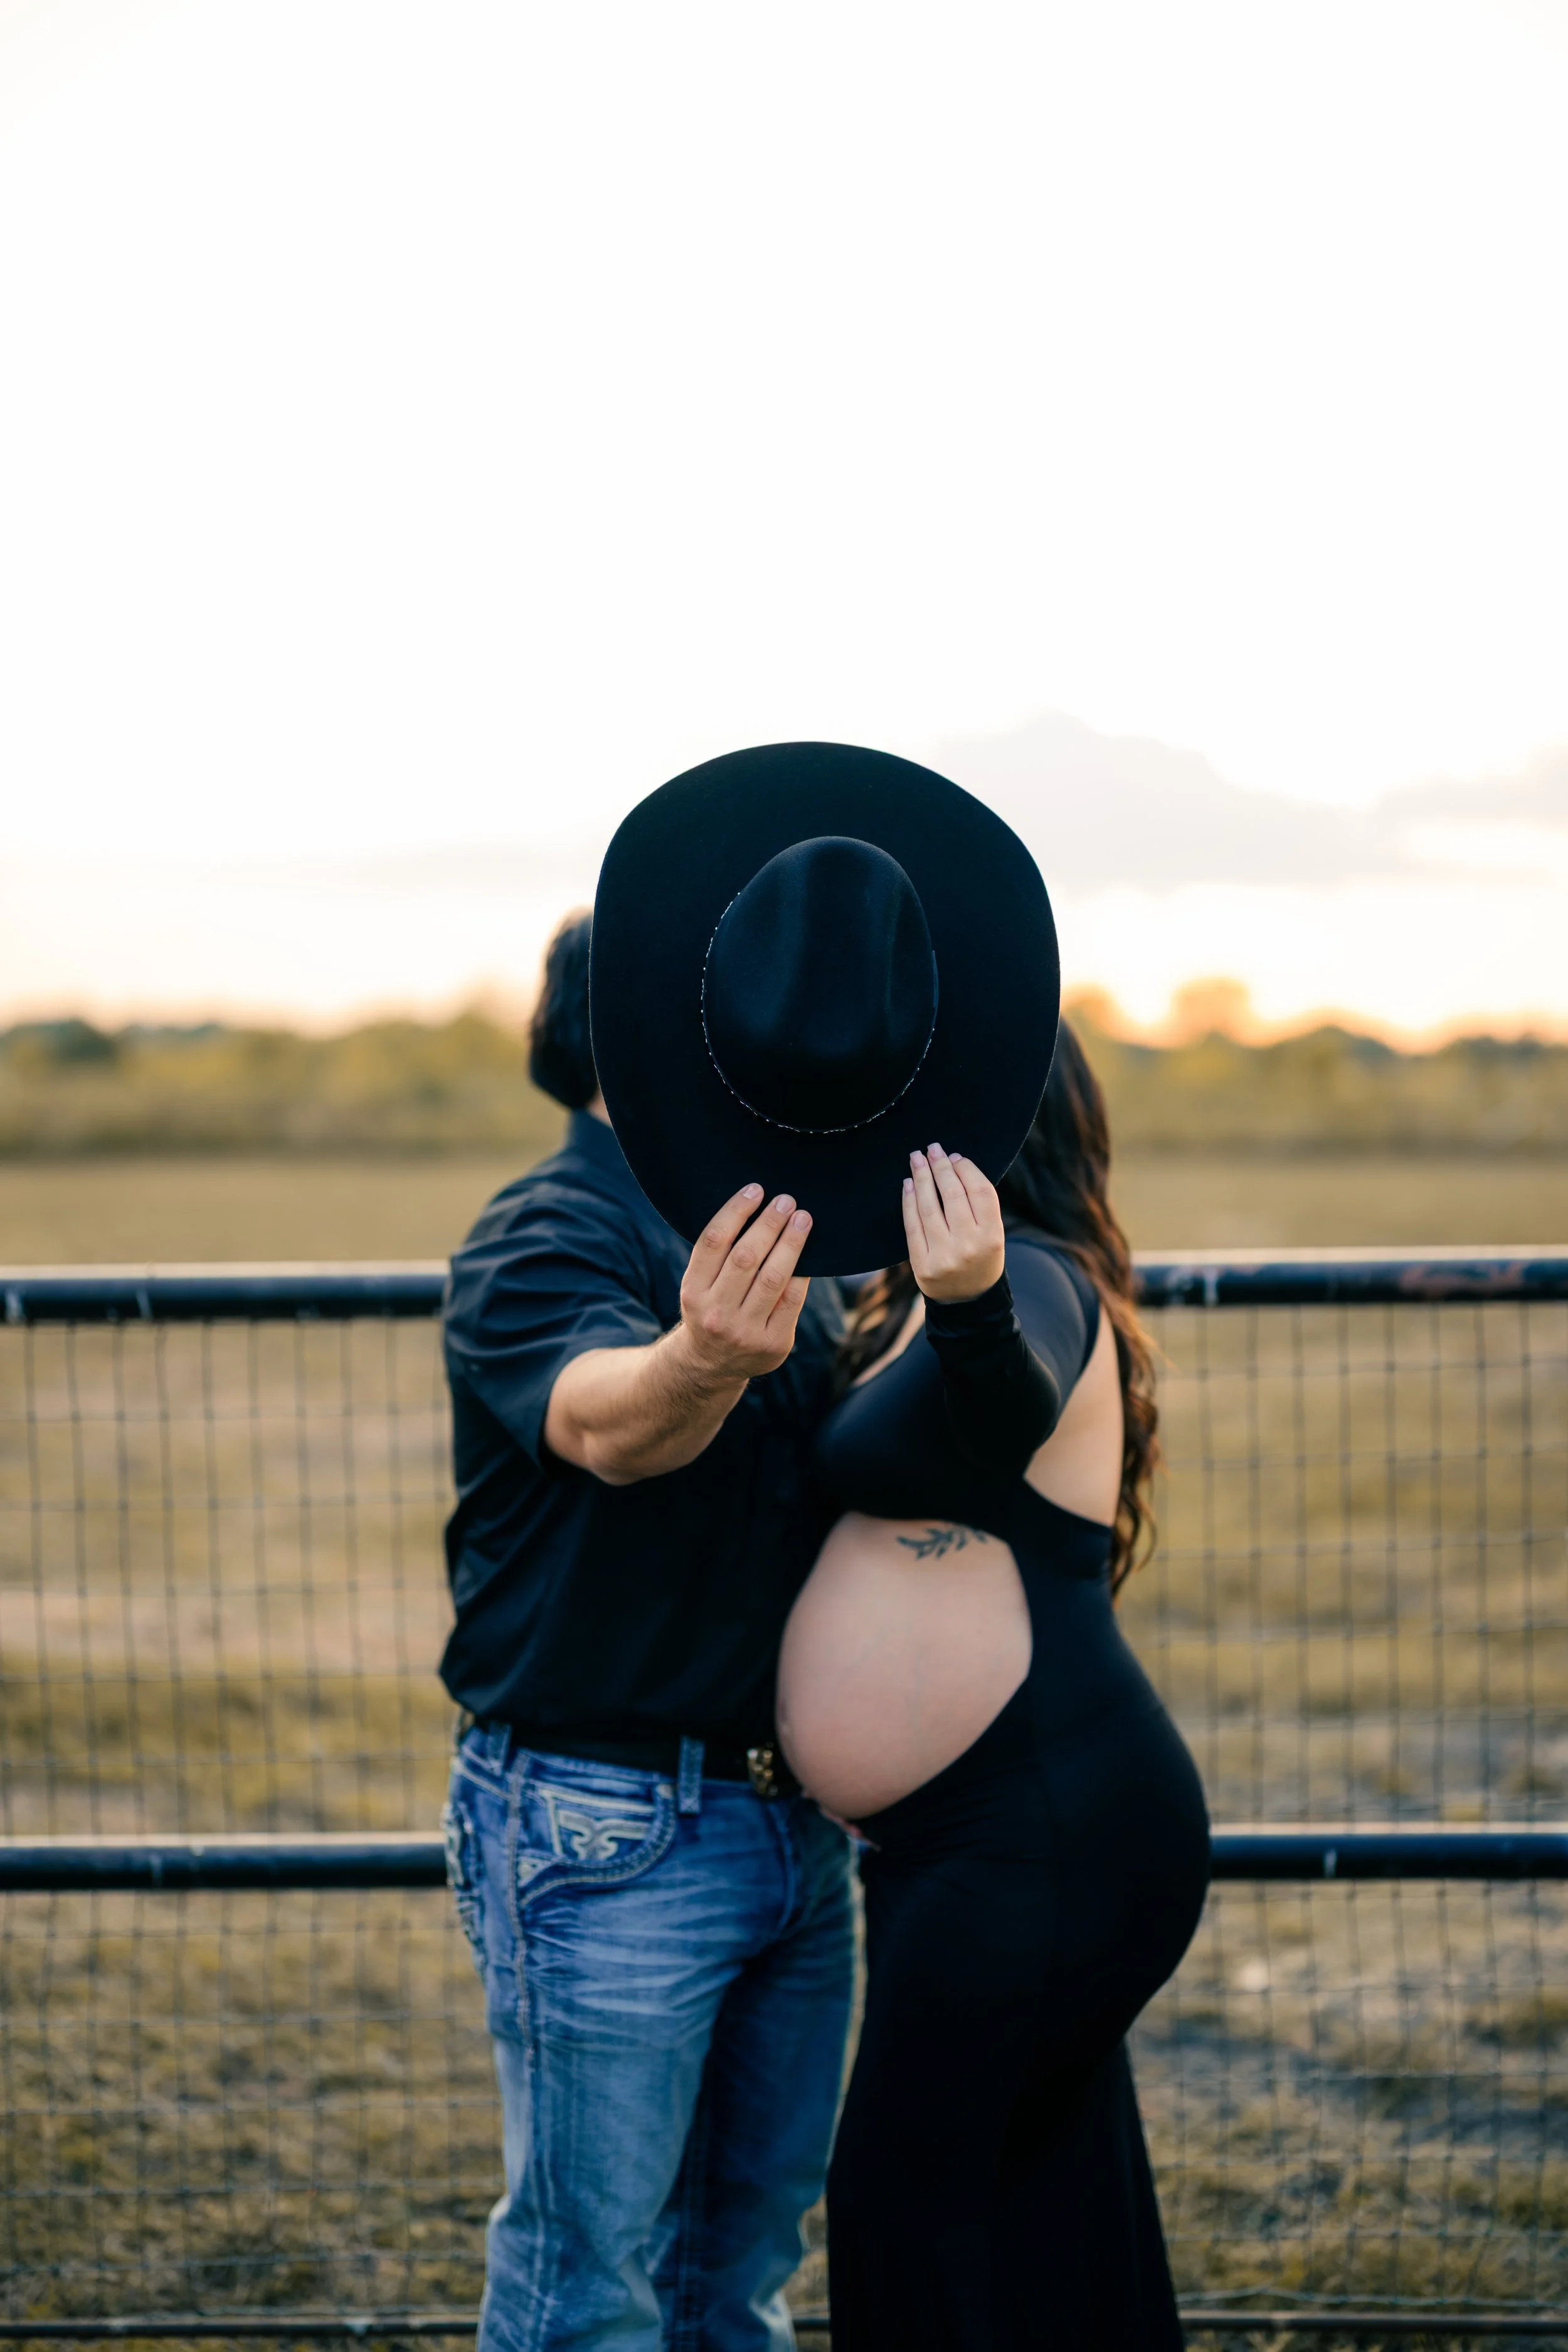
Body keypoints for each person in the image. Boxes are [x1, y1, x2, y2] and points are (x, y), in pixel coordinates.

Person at [440, 908, 855, 2352]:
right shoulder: (544, 1231)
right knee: (586, 2294)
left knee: (736, 2280)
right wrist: (698, 1362)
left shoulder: (778, 1229)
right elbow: (606, 1427)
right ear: (645, 1033)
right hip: (604, 1824)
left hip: (794, 1833)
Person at [778, 1022, 1210, 2349]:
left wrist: (963, 1307)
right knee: (1043, 2194)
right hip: (986, 1839)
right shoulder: (907, 1295)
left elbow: (998, 1415)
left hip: (1043, 1832)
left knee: (905, 2199)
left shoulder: (1028, 1283)